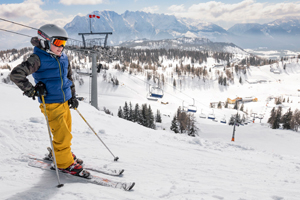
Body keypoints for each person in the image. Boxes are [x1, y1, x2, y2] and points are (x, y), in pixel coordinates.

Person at [10, 24, 89, 178]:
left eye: (63, 44)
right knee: (62, 134)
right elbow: (16, 75)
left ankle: (59, 153)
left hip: (64, 101)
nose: (61, 48)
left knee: (65, 131)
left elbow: (68, 78)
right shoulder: (38, 58)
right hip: (51, 103)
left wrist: (72, 96)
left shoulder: (63, 57)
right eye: (58, 43)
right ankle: (64, 164)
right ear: (45, 41)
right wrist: (31, 90)